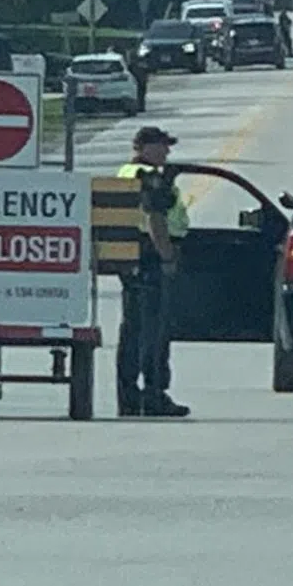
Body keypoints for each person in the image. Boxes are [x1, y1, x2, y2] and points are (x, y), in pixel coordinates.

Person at [113, 126, 192, 418]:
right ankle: (154, 396)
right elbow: (154, 218)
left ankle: (129, 398)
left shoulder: (125, 173)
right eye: (162, 146)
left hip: (130, 260)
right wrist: (168, 255)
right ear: (143, 147)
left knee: (131, 331)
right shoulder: (150, 178)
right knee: (154, 332)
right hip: (151, 257)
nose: (167, 152)